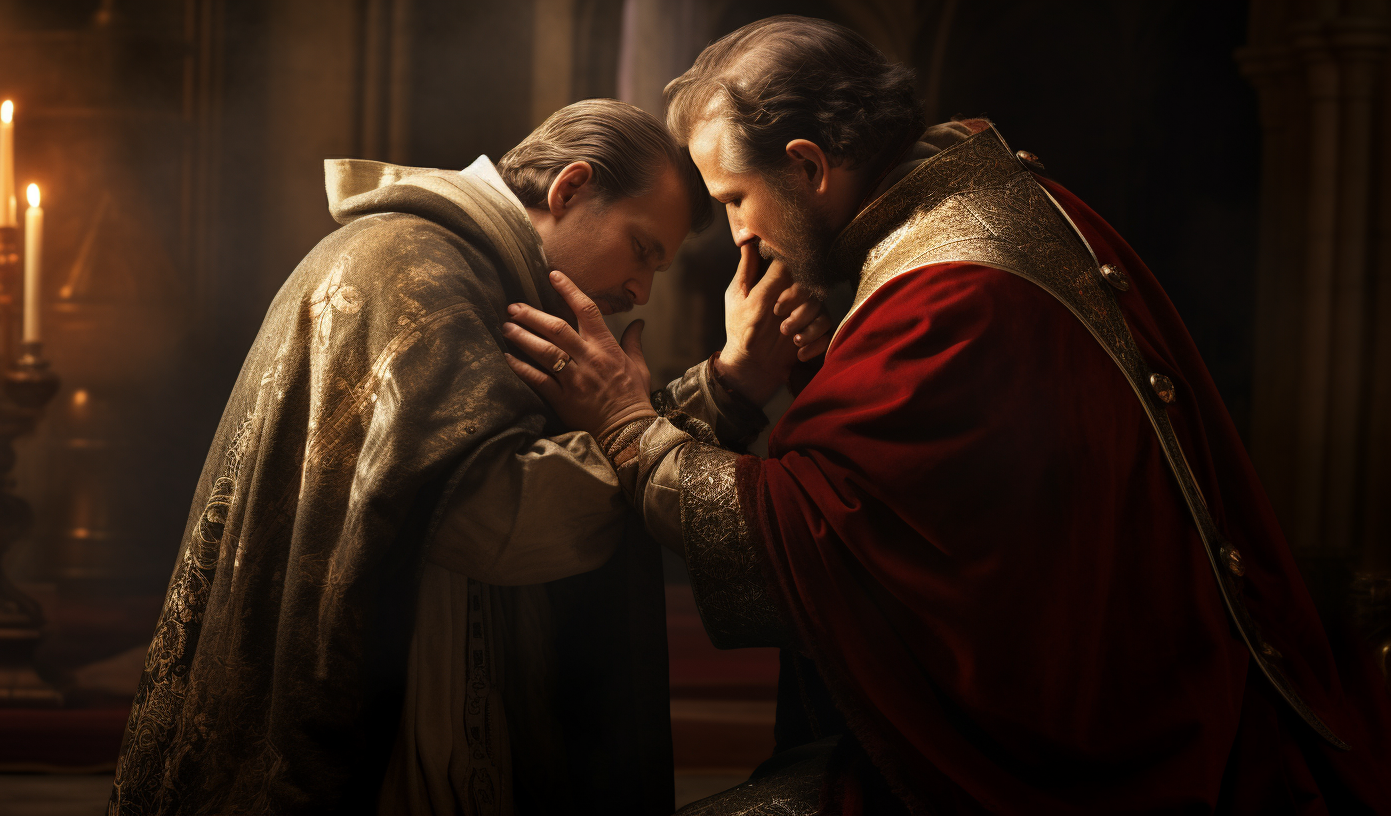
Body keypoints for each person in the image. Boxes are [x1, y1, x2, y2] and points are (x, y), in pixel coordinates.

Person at [502, 17, 1391, 815]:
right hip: (1096, 682)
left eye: (736, 199)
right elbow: (919, 477)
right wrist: (807, 350)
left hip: (1084, 751)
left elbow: (813, 540)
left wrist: (627, 422)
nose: (738, 235)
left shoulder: (950, 297)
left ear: (809, 167)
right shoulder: (970, 200)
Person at [108, 98, 828, 816]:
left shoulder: (463, 268)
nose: (640, 289)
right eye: (643, 248)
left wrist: (711, 390)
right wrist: (714, 393)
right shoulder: (416, 269)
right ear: (570, 187)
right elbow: (498, 524)